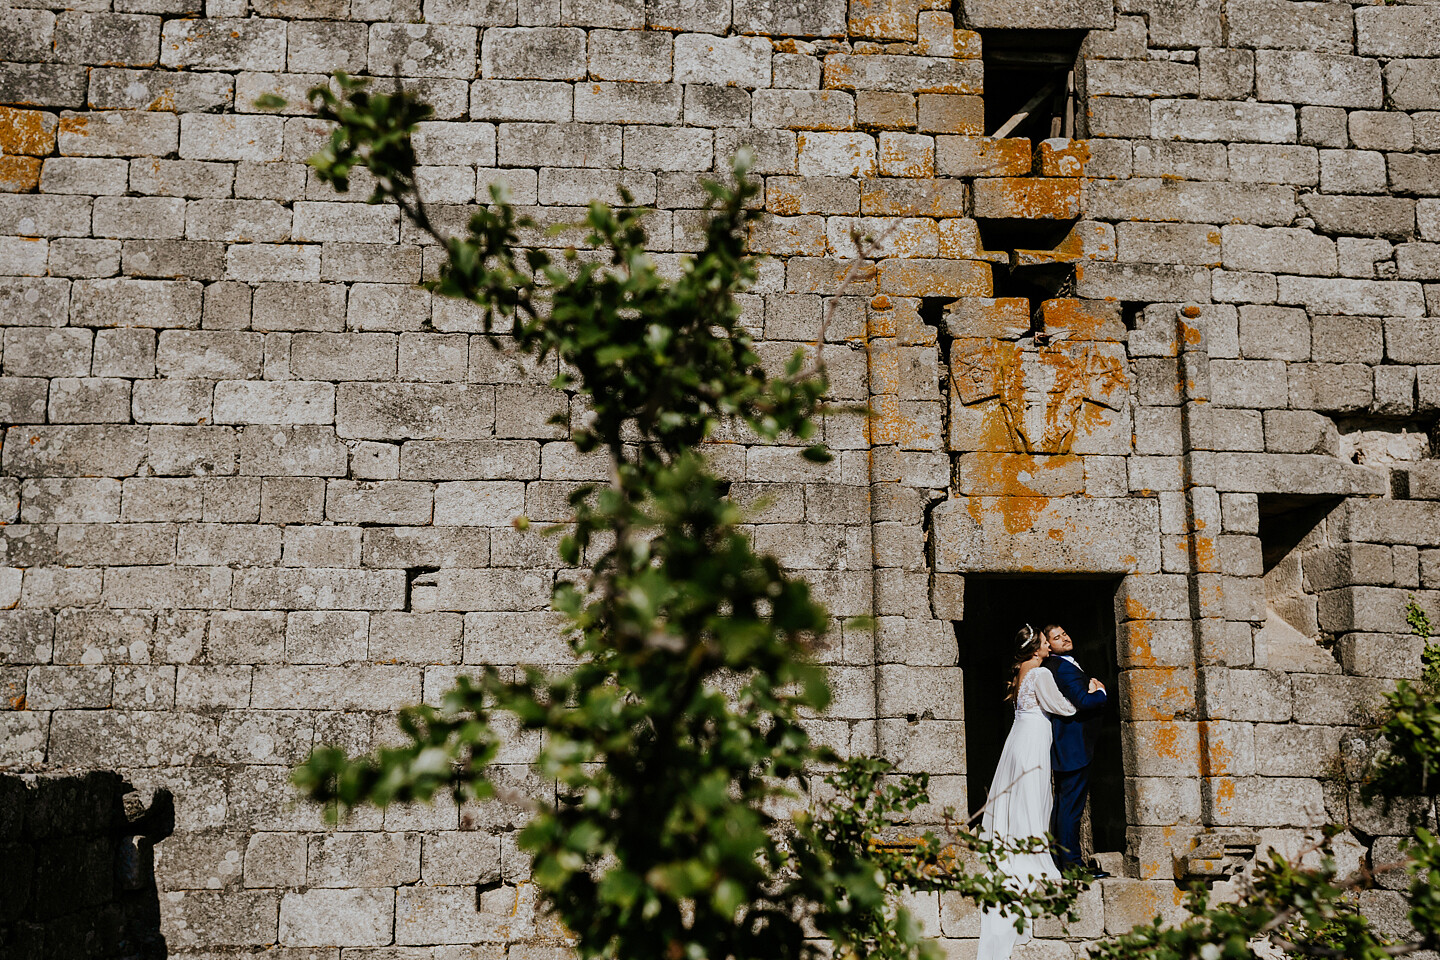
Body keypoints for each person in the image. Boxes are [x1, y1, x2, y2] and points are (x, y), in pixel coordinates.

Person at [976, 623, 1082, 960]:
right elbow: (1062, 707)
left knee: (1019, 792)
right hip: (1035, 735)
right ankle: (1032, 852)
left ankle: (1013, 839)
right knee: (1035, 796)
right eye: (1044, 643)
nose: (1049, 647)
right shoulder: (1039, 673)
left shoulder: (1022, 670)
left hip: (1018, 736)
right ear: (1036, 648)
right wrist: (1091, 692)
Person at [1041, 623, 1109, 878]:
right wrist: (1101, 692)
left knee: (1064, 808)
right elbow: (1083, 701)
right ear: (1049, 646)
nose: (1065, 638)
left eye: (1065, 633)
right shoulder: (1061, 667)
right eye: (1057, 638)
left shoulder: (1062, 664)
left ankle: (1064, 863)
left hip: (1072, 747)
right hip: (1074, 747)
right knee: (1070, 810)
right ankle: (1073, 867)